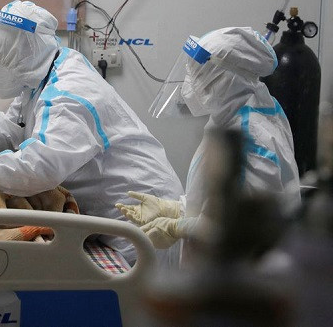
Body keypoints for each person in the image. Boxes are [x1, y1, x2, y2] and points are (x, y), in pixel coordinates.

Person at [0, 0, 184, 265]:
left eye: (3, 63)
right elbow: (15, 126)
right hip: (108, 216)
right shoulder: (42, 76)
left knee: (140, 304)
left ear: (26, 57)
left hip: (140, 220)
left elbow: (38, 169)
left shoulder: (71, 94)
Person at [117, 26, 301, 257]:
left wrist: (178, 227)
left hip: (241, 279)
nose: (189, 82)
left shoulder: (250, 136)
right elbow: (219, 200)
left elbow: (244, 225)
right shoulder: (231, 118)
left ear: (227, 79)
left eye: (199, 73)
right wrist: (174, 209)